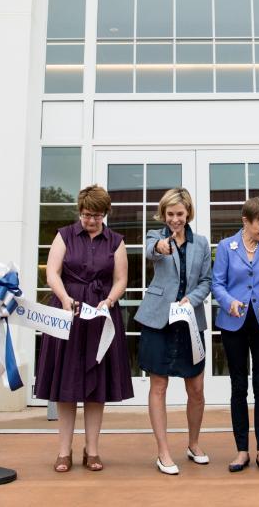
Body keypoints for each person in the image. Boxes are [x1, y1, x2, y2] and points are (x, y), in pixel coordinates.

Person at [34, 185, 133, 473]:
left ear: (106, 214)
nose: (91, 220)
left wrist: (110, 301)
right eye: (87, 215)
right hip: (68, 313)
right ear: (79, 211)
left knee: (96, 386)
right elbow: (52, 272)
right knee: (66, 385)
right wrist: (64, 298)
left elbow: (121, 279)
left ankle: (93, 449)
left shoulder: (116, 241)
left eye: (97, 215)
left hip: (101, 317)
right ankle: (64, 451)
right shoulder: (64, 235)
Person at [136, 188, 213, 476]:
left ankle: (193, 444)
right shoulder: (156, 237)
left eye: (180, 214)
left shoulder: (202, 243)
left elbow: (206, 281)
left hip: (190, 321)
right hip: (158, 322)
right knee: (159, 386)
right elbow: (150, 251)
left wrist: (190, 301)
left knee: (196, 389)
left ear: (188, 213)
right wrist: (161, 248)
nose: (175, 220)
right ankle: (163, 451)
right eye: (170, 214)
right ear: (163, 214)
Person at [212, 197, 259, 475]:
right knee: (238, 385)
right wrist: (228, 301)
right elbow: (217, 283)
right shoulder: (226, 247)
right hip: (233, 322)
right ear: (246, 221)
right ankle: (242, 450)